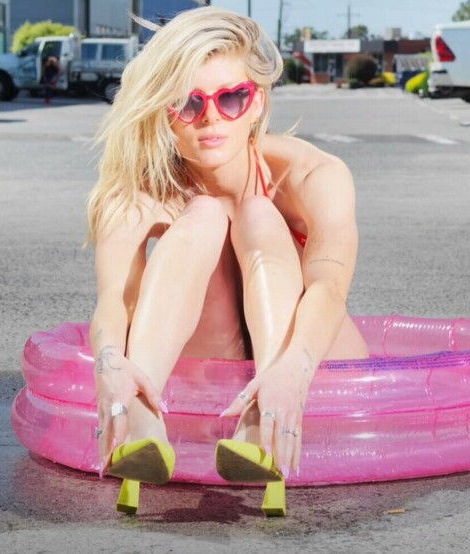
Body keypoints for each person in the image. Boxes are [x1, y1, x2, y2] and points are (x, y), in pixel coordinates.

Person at [86, 7, 368, 516]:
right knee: (203, 216)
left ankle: (261, 424)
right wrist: (110, 366)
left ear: (256, 103)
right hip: (209, 348)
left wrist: (294, 369)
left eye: (231, 98)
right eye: (188, 103)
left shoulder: (312, 176)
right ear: (164, 112)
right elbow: (115, 301)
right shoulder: (137, 195)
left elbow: (329, 288)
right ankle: (143, 422)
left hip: (307, 352)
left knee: (258, 213)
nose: (211, 117)